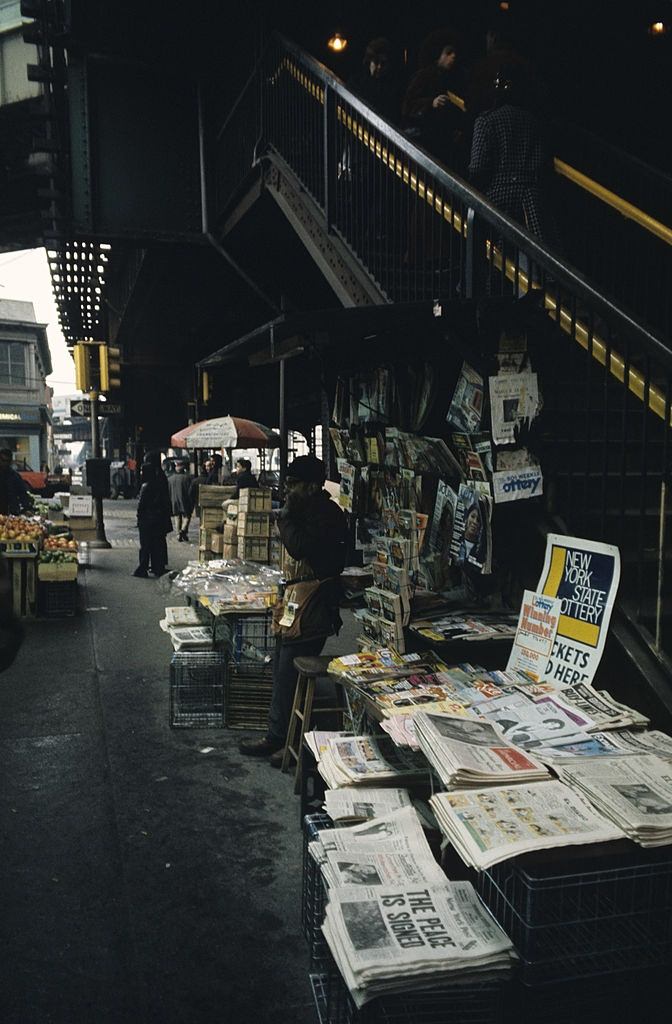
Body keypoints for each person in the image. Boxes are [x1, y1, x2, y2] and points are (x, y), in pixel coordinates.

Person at [239, 455, 347, 761]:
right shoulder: (309, 509)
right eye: (287, 485)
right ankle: (287, 734)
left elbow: (299, 547)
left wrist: (285, 517)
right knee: (283, 667)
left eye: (295, 485)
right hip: (299, 600)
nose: (289, 491)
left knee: (288, 669)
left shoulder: (326, 514)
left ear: (313, 486)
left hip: (314, 604)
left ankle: (281, 738)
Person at [468, 62, 558, 246]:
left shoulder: (487, 121)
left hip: (499, 198)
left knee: (498, 257)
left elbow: (477, 167)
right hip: (533, 197)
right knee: (538, 258)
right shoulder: (534, 122)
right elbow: (545, 164)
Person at [401, 29, 466, 169]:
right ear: (437, 55)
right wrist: (431, 103)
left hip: (445, 145)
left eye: (455, 53)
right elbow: (407, 106)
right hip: (424, 143)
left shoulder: (455, 79)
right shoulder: (424, 76)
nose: (453, 57)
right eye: (448, 53)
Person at [347, 37, 404, 125]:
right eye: (376, 62)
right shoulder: (356, 82)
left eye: (383, 64)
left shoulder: (393, 86)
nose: (379, 67)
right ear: (369, 62)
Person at [133, 459, 172, 578]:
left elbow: (141, 506)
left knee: (145, 546)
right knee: (156, 545)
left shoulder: (145, 486)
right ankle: (157, 567)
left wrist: (139, 519)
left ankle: (142, 568)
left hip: (146, 521)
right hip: (158, 520)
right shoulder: (159, 483)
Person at [168, 459, 194, 542]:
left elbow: (168, 491)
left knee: (177, 517)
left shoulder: (170, 479)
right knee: (187, 516)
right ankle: (182, 531)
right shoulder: (187, 478)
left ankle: (179, 534)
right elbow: (190, 491)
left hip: (174, 500)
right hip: (184, 499)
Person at [0, 448, 30, 515]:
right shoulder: (14, 475)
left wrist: (26, 508)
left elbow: (22, 492)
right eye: (3, 460)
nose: (5, 463)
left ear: (10, 462)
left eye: (7, 461)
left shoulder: (14, 476)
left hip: (12, 510)